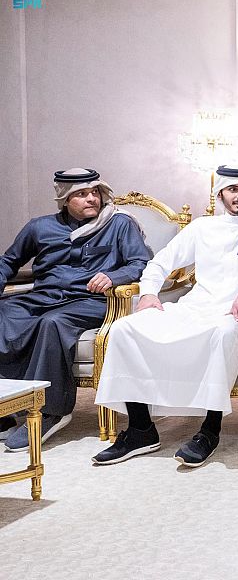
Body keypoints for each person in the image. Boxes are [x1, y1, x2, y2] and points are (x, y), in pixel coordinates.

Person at [92, 166, 238, 468]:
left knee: (222, 333)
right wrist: (148, 293)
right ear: (220, 194)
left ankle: (209, 431)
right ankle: (140, 430)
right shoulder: (203, 227)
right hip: (197, 305)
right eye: (233, 189)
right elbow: (161, 262)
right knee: (124, 329)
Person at [0, 168, 150, 451]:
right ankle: (8, 407)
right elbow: (8, 261)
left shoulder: (118, 224)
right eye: (81, 194)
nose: (92, 198)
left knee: (52, 323)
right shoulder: (39, 227)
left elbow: (141, 262)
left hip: (92, 301)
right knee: (5, 315)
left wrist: (114, 276)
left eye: (95, 192)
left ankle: (51, 410)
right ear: (65, 200)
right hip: (45, 296)